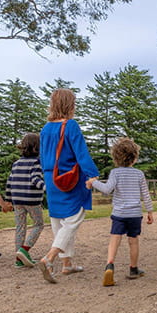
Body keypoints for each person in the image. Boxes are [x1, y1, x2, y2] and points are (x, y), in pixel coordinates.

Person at [37, 88, 99, 283]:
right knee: (74, 218)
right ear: (71, 105)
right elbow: (81, 154)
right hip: (69, 178)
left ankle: (67, 264)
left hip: (51, 177)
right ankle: (50, 257)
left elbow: (42, 156)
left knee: (58, 220)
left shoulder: (46, 128)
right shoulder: (70, 125)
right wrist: (93, 174)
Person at [86, 137, 154, 287]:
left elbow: (106, 190)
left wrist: (93, 182)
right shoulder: (139, 174)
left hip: (119, 214)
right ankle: (133, 269)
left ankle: (109, 266)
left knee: (114, 240)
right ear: (134, 157)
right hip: (135, 214)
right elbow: (145, 194)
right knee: (133, 240)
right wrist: (149, 211)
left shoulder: (115, 173)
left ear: (115, 157)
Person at [7, 133, 46, 268]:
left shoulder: (16, 163)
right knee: (39, 224)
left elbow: (10, 182)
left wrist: (8, 199)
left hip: (17, 200)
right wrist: (46, 187)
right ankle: (24, 250)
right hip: (32, 200)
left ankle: (18, 260)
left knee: (20, 227)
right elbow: (35, 179)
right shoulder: (37, 162)